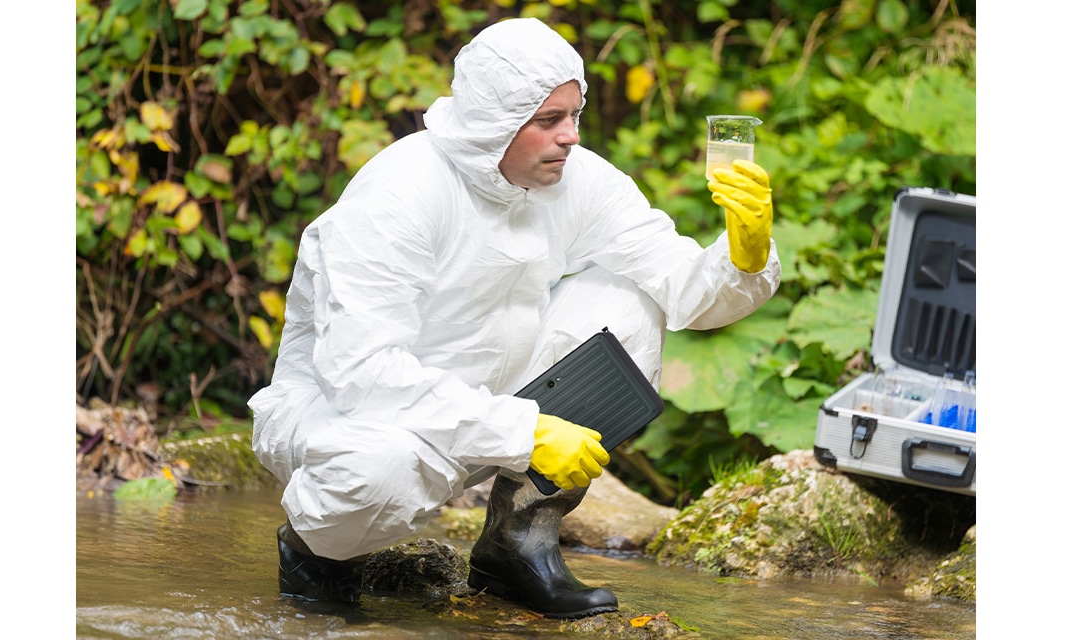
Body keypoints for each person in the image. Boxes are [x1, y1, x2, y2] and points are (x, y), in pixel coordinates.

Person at [248, 17, 780, 619]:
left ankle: (515, 542)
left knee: (630, 304)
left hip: (496, 401)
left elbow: (685, 292)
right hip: (363, 417)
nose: (570, 137)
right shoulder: (400, 193)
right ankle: (319, 553)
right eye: (548, 121)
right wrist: (524, 433)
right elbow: (360, 373)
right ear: (492, 123)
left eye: (573, 116)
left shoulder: (577, 180)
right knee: (376, 474)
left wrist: (746, 253)